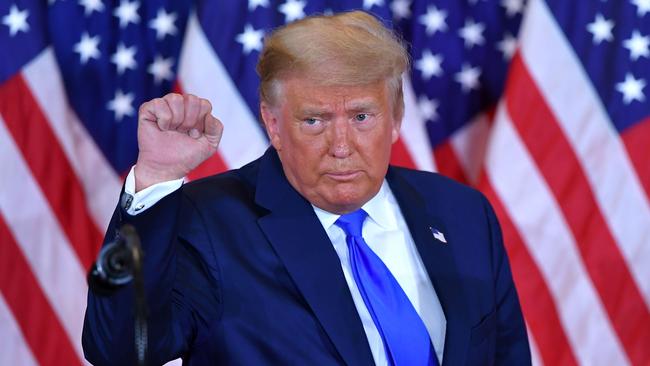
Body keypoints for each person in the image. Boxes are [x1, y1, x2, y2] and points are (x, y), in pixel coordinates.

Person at [82, 11, 531, 366]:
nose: (340, 147)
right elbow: (121, 352)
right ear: (273, 125)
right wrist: (157, 176)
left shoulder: (461, 212)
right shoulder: (210, 223)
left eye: (361, 117)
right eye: (313, 120)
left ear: (395, 119)